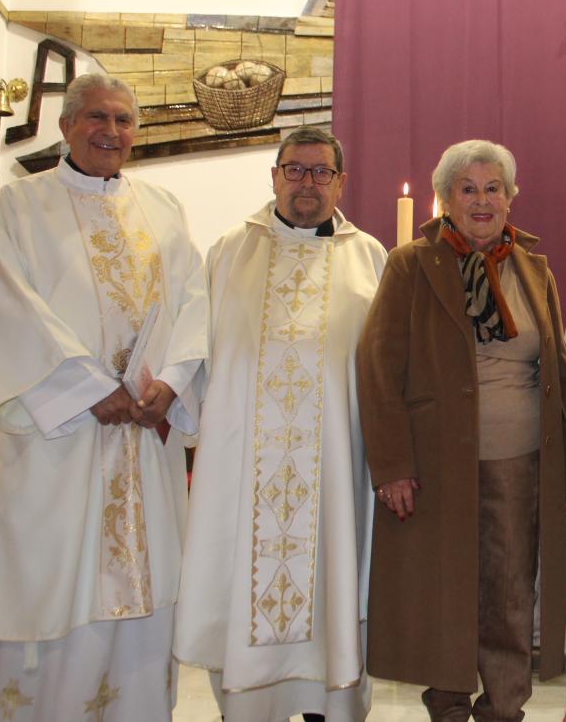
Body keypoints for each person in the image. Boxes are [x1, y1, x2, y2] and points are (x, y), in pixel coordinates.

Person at [0, 73, 208, 721]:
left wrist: (172, 383)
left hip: (140, 446)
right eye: (97, 117)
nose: (112, 131)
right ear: (66, 125)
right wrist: (88, 389)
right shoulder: (19, 207)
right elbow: (9, 309)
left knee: (141, 601)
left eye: (124, 119)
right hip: (60, 444)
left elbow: (194, 305)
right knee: (51, 588)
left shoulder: (164, 209)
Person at [356, 139, 566, 722]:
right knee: (447, 594)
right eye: (468, 188)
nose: (482, 200)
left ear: (512, 198)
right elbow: (378, 366)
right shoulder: (412, 263)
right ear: (444, 199)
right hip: (438, 463)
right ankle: (450, 708)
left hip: (520, 459)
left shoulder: (533, 269)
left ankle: (504, 708)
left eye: (494, 188)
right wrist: (392, 467)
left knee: (511, 594)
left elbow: (557, 368)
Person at [174, 127, 386, 721]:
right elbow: (195, 353)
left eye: (321, 172)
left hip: (336, 472)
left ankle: (330, 705)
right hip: (244, 472)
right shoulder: (228, 253)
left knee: (334, 593)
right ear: (273, 176)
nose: (307, 184)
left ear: (341, 182)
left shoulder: (369, 257)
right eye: (295, 170)